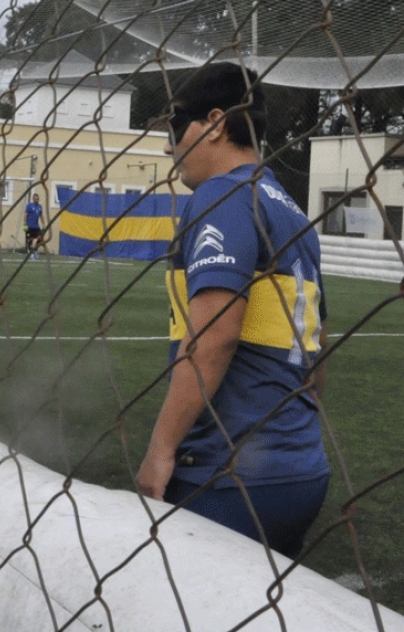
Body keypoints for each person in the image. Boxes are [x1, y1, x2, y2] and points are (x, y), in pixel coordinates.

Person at [135, 63, 330, 558]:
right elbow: (317, 345)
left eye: (176, 127)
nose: (168, 146)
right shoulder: (288, 205)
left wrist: (161, 449)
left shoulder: (220, 197)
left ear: (216, 123)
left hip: (228, 473)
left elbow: (215, 336)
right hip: (301, 468)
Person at [24, 193, 43, 259]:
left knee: (40, 238)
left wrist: (43, 224)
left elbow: (41, 216)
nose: (36, 200)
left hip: (36, 226)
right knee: (30, 240)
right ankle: (30, 253)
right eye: (35, 198)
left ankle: (34, 251)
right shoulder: (29, 205)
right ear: (33, 199)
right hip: (29, 226)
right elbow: (25, 215)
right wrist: (24, 224)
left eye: (37, 199)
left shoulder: (40, 206)